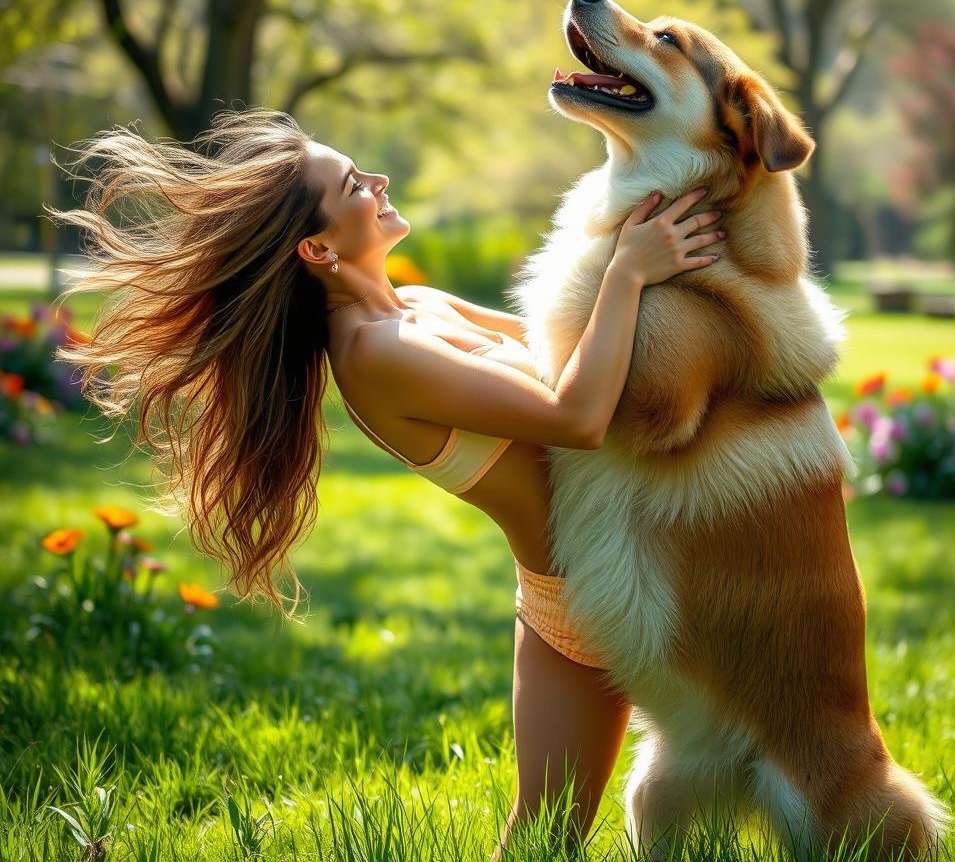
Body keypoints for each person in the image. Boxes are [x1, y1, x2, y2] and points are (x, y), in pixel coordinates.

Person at [50, 109, 724, 854]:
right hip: (588, 598)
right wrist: (629, 269)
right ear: (317, 245)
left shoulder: (418, 307)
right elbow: (578, 415)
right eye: (353, 184)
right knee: (546, 841)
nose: (378, 182)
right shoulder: (373, 354)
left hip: (632, 557)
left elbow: (573, 350)